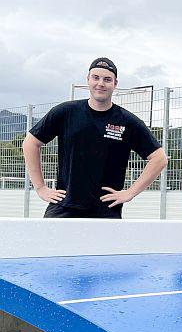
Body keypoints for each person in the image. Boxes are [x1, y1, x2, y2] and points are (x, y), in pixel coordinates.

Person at [22, 57, 168, 218]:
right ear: (88, 80)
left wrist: (130, 193)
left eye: (107, 79)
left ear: (115, 84)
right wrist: (40, 187)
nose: (101, 83)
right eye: (96, 77)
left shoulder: (127, 122)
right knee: (48, 242)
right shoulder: (66, 112)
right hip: (64, 206)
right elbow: (30, 142)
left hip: (105, 210)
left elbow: (159, 158)